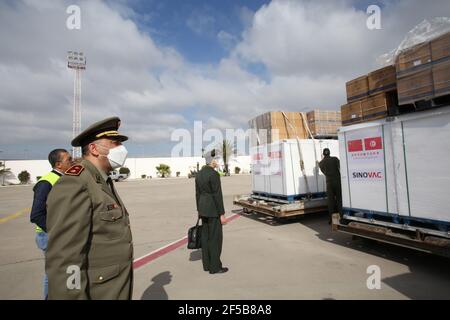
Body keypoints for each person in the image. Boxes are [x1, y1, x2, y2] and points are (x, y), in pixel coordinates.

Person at [45, 117, 133, 299]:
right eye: (114, 143)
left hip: (112, 288)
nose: (121, 149)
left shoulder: (101, 179)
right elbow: (65, 257)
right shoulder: (76, 183)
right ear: (94, 149)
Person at [30, 149, 72, 299]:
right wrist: (55, 232)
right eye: (69, 159)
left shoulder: (63, 179)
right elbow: (36, 215)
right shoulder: (46, 182)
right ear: (59, 164)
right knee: (53, 274)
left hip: (59, 234)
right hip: (49, 235)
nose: (72, 161)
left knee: (62, 273)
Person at [195, 149, 228, 274]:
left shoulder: (199, 174)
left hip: (203, 210)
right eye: (216, 159)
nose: (217, 161)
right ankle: (215, 267)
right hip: (213, 210)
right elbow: (217, 195)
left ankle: (207, 265)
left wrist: (199, 209)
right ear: (211, 160)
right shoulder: (214, 174)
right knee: (215, 239)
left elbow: (197, 194)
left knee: (206, 237)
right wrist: (222, 214)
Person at [319, 148, 342, 224]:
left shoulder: (321, 163)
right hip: (337, 182)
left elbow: (324, 172)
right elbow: (340, 167)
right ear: (329, 153)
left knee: (331, 201)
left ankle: (331, 220)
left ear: (323, 154)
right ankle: (341, 218)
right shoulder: (335, 159)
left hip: (329, 183)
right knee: (339, 200)